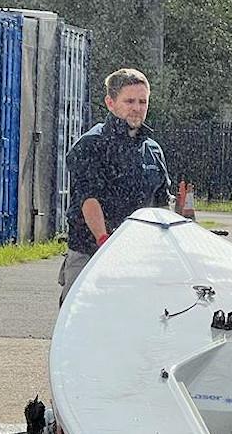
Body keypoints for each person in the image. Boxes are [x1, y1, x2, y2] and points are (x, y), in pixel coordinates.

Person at [58, 68, 170, 304]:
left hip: (139, 258)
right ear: (110, 103)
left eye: (142, 101)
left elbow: (161, 206)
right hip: (92, 252)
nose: (137, 108)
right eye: (129, 101)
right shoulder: (91, 145)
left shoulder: (153, 150)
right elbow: (88, 200)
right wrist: (104, 241)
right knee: (80, 319)